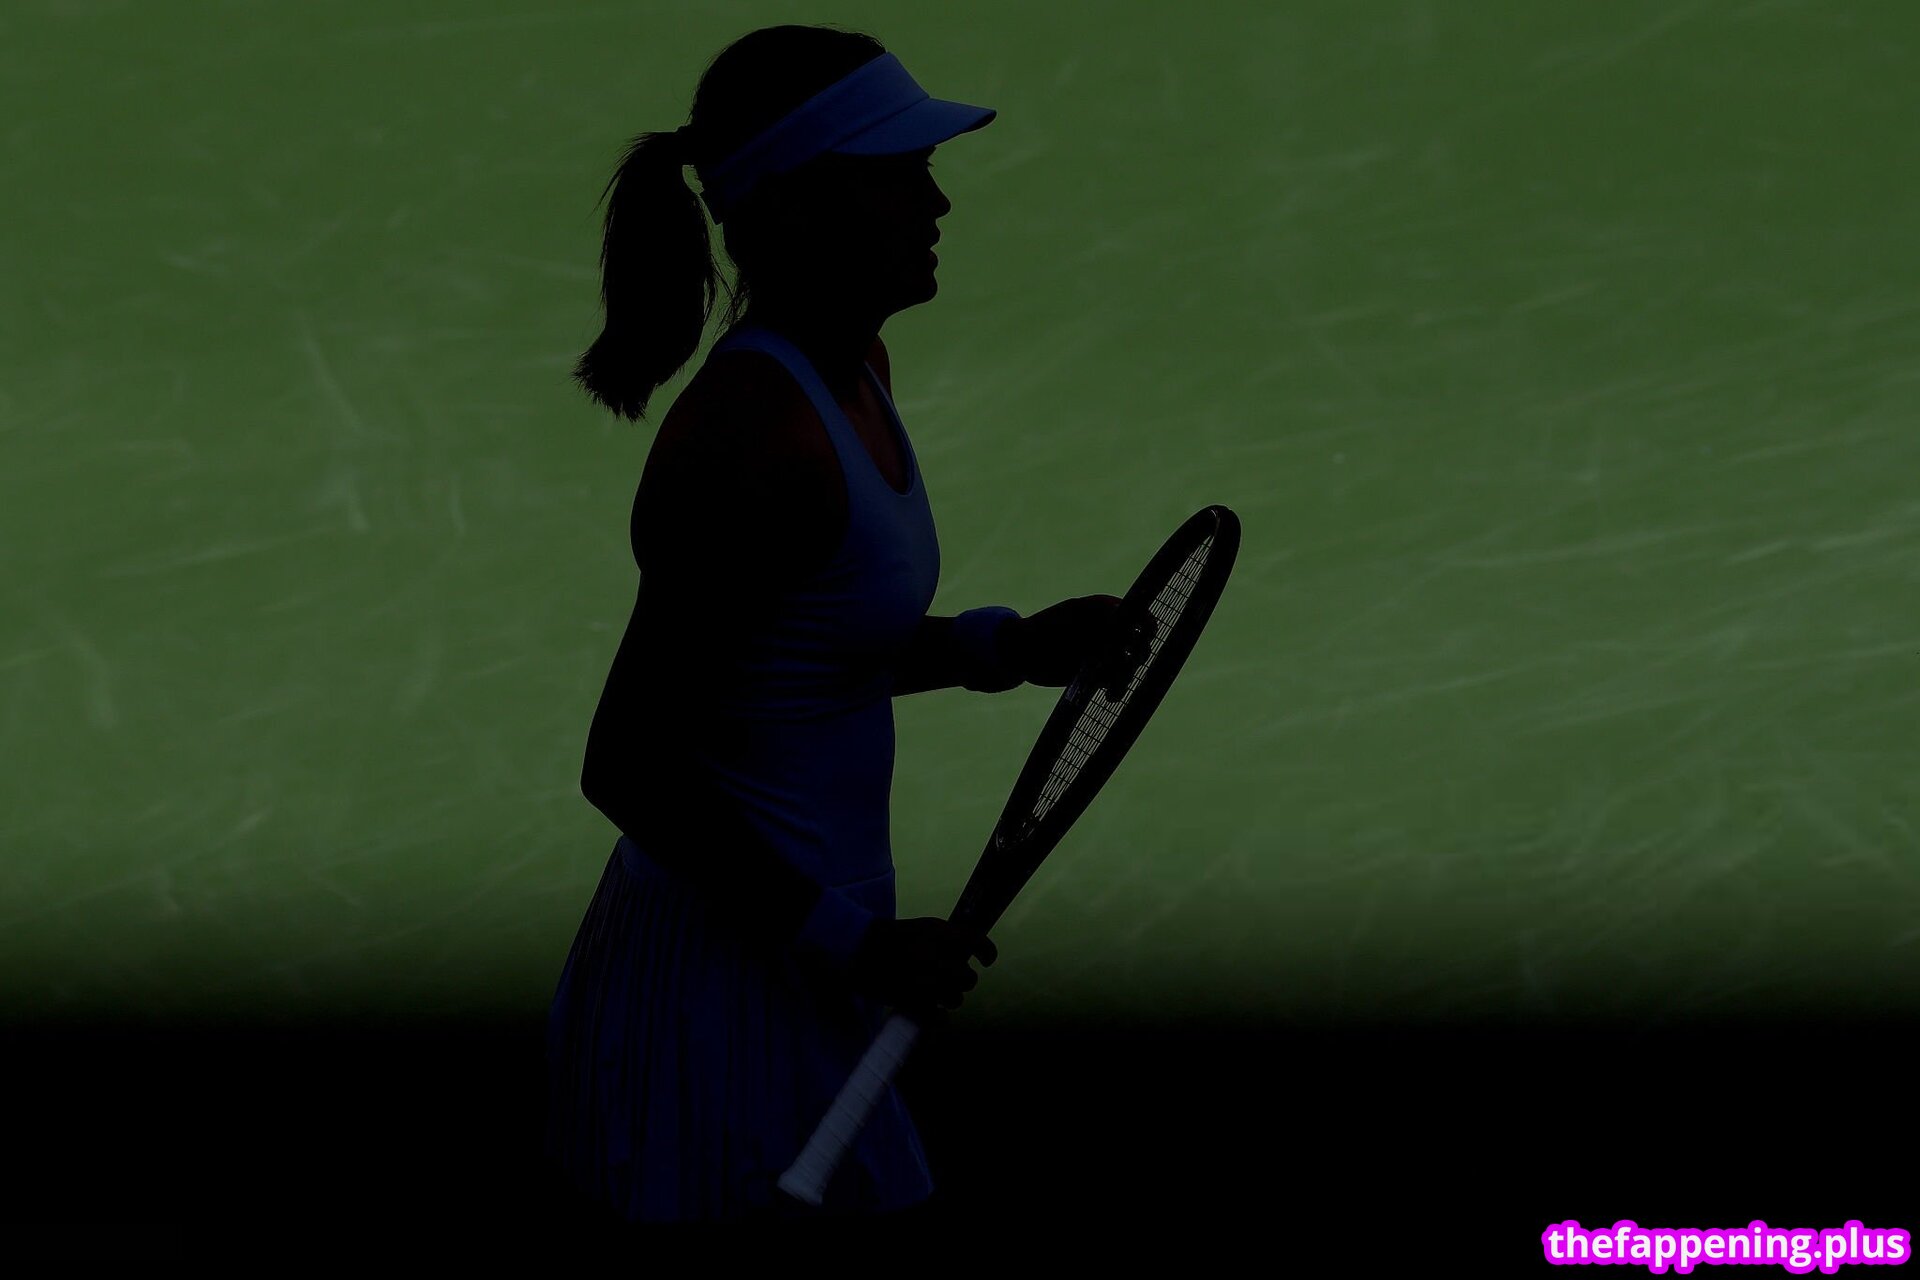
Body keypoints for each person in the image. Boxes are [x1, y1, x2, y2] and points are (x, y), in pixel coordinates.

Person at [545, 23, 1125, 1224]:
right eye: (901, 174)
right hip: (720, 988)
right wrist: (854, 942)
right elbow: (630, 762)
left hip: (810, 949)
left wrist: (1005, 646)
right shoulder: (753, 437)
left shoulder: (855, 370)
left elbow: (803, 652)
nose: (938, 202)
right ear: (802, 205)